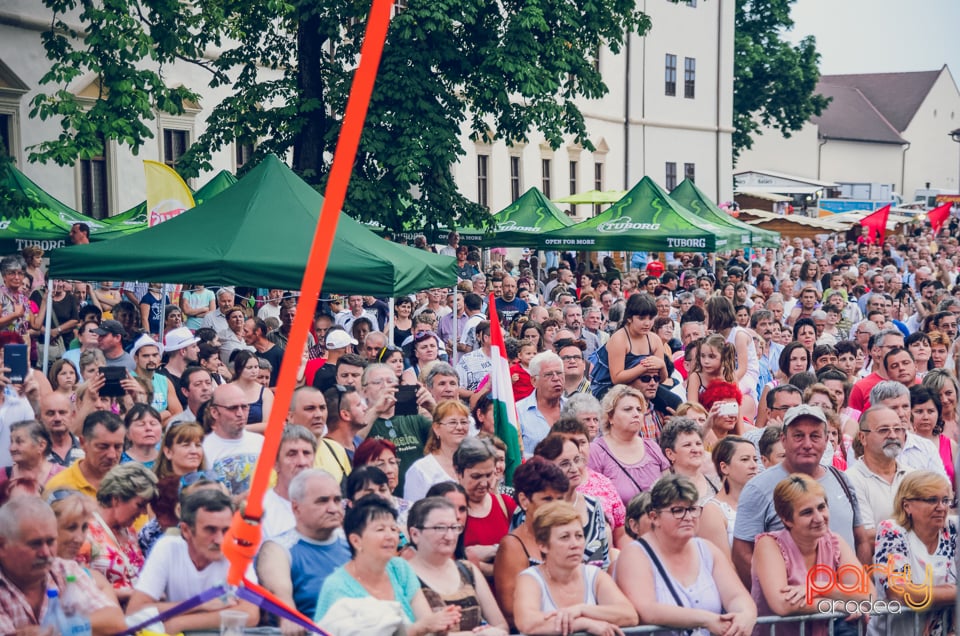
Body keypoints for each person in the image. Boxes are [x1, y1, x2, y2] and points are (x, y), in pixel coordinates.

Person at [732, 405, 870, 586]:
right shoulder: (758, 488)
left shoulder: (841, 479)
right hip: (792, 609)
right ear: (784, 440)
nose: (807, 444)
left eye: (815, 436)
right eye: (798, 436)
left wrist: (856, 591)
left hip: (846, 607)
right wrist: (773, 593)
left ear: (827, 440)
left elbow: (860, 540)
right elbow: (742, 553)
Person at [614, 474, 756, 636]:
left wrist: (744, 615)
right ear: (654, 517)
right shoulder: (635, 555)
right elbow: (647, 609)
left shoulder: (707, 550)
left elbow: (736, 596)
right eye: (678, 511)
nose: (688, 517)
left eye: (692, 509)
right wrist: (706, 619)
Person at [313, 496, 462, 636]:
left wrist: (439, 624)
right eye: (380, 529)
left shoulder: (400, 568)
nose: (390, 536)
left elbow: (426, 621)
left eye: (393, 529)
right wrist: (419, 628)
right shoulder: (337, 587)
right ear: (356, 541)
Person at [751, 474, 869, 636]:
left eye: (821, 507)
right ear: (787, 519)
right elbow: (783, 604)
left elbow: (867, 595)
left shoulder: (834, 541)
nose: (819, 518)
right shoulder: (769, 544)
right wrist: (840, 604)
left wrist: (818, 588)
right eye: (807, 512)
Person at [126, 489, 259, 632]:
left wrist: (179, 623)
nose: (220, 540)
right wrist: (198, 604)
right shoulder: (167, 548)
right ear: (186, 530)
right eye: (210, 530)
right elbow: (135, 612)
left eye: (226, 530)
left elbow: (251, 614)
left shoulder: (237, 550)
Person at [0, 495, 127, 634]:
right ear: (2, 546)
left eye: (50, 542)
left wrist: (56, 629)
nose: (46, 553)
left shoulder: (65, 569)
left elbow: (115, 621)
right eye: (35, 544)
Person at [513, 501, 638, 636]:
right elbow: (528, 623)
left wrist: (582, 610)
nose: (575, 544)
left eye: (579, 536)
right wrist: (582, 623)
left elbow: (629, 615)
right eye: (565, 537)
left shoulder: (593, 575)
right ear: (543, 545)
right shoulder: (530, 578)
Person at [257, 469, 351, 632]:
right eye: (322, 501)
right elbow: (280, 595)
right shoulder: (278, 549)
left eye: (337, 500)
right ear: (296, 508)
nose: (333, 508)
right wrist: (289, 617)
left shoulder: (353, 543)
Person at [870, 471, 957, 636]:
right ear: (907, 505)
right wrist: (953, 592)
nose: (941, 507)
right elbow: (899, 592)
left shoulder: (952, 529)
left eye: (945, 500)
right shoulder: (892, 530)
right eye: (932, 500)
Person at [407, 497, 509, 636]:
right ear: (415, 534)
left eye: (454, 528)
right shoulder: (406, 576)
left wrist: (492, 632)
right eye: (440, 528)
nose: (449, 536)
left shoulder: (467, 569)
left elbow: (501, 625)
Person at [492, 458, 570, 627]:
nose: (556, 507)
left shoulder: (568, 537)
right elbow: (511, 611)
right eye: (548, 499)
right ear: (524, 500)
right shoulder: (512, 546)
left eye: (560, 499)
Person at [82, 463, 157, 602]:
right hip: (106, 614)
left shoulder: (129, 530)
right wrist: (129, 595)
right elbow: (78, 589)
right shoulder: (84, 532)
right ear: (116, 498)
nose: (143, 513)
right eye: (139, 505)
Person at [588, 384, 669, 505]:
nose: (636, 414)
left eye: (639, 409)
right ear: (610, 417)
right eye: (628, 409)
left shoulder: (652, 446)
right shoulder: (596, 451)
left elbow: (670, 490)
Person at [457, 437, 516, 577]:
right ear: (459, 473)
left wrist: (494, 550)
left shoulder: (505, 504)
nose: (484, 483)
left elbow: (525, 550)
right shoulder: (450, 510)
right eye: (476, 477)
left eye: (489, 475)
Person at [698, 435, 757, 560]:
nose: (753, 465)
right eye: (745, 459)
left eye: (755, 459)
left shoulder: (760, 503)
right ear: (724, 467)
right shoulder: (713, 511)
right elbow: (723, 565)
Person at [44, 411, 127, 498]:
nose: (112, 455)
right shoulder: (59, 488)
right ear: (83, 443)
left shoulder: (129, 486)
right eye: (103, 447)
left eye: (118, 447)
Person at [202, 382, 265, 496]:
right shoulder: (203, 448)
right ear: (214, 412)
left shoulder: (261, 442)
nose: (240, 413)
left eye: (244, 407)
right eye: (232, 408)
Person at [404, 400, 470, 502]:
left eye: (464, 422)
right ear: (436, 428)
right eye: (453, 422)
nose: (460, 427)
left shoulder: (474, 463)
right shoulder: (421, 470)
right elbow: (413, 512)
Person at [262, 425, 317, 540]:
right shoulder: (261, 509)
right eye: (292, 454)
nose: (302, 462)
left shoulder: (327, 504)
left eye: (306, 453)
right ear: (275, 463)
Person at [517, 351, 567, 454]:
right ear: (534, 381)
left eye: (559, 373)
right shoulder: (518, 412)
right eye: (548, 374)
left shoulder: (573, 408)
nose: (556, 378)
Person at [659, 417, 720, 503]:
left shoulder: (719, 483)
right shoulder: (662, 492)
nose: (696, 450)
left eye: (698, 444)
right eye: (687, 445)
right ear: (670, 454)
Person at [909, 384, 956, 482]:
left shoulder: (950, 445)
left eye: (931, 411)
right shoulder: (905, 445)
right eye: (919, 411)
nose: (925, 417)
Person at [2, 419, 65, 490]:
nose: (12, 448)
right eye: (11, 442)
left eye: (19, 442)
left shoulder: (63, 476)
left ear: (41, 445)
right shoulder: (2, 476)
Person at [230, 349, 274, 432]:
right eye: (249, 368)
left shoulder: (266, 393)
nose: (254, 371)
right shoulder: (226, 389)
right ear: (239, 369)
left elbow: (267, 424)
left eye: (256, 367)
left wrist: (242, 429)